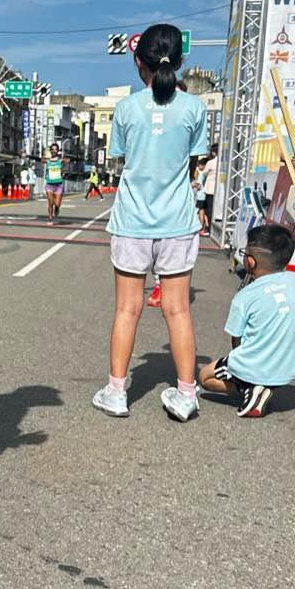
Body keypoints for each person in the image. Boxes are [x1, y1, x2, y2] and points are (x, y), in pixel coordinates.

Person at [92, 23, 207, 422]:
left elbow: (123, 157)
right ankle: (186, 393)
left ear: (138, 62)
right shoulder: (194, 108)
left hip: (132, 220)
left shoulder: (126, 109)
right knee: (178, 310)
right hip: (178, 221)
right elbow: (192, 161)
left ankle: (116, 392)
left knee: (127, 308)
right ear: (179, 62)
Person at [199, 224, 295, 418]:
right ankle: (261, 385)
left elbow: (236, 339)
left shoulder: (245, 296)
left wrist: (240, 367)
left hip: (255, 365)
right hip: (292, 364)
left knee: (204, 377)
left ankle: (250, 388)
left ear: (250, 261)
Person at [43, 142, 65, 225]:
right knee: (50, 203)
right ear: (50, 151)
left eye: (56, 149)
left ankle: (57, 208)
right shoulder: (48, 161)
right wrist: (45, 157)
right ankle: (50, 219)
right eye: (52, 149)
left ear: (58, 151)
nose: (54, 151)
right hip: (49, 184)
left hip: (59, 185)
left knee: (57, 204)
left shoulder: (60, 160)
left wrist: (65, 159)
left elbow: (68, 160)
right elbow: (41, 160)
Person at [203, 142, 219, 230]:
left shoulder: (210, 162)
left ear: (213, 152)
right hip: (220, 189)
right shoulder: (225, 163)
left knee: (209, 209)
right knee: (218, 208)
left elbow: (204, 173)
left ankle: (210, 229)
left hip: (210, 189)